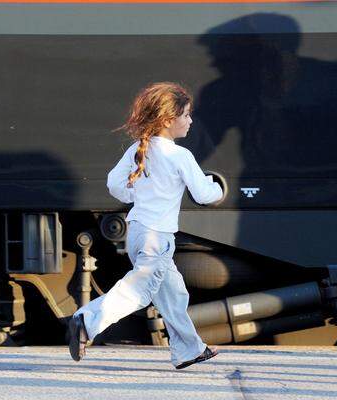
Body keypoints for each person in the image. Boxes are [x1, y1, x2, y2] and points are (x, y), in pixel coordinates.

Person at [69, 82, 223, 369]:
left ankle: (189, 349)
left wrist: (135, 195)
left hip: (137, 231)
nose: (190, 121)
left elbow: (114, 183)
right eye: (187, 115)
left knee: (174, 293)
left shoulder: (138, 149)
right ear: (168, 120)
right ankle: (86, 321)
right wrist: (218, 188)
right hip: (158, 237)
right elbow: (203, 194)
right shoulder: (180, 156)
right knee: (139, 291)